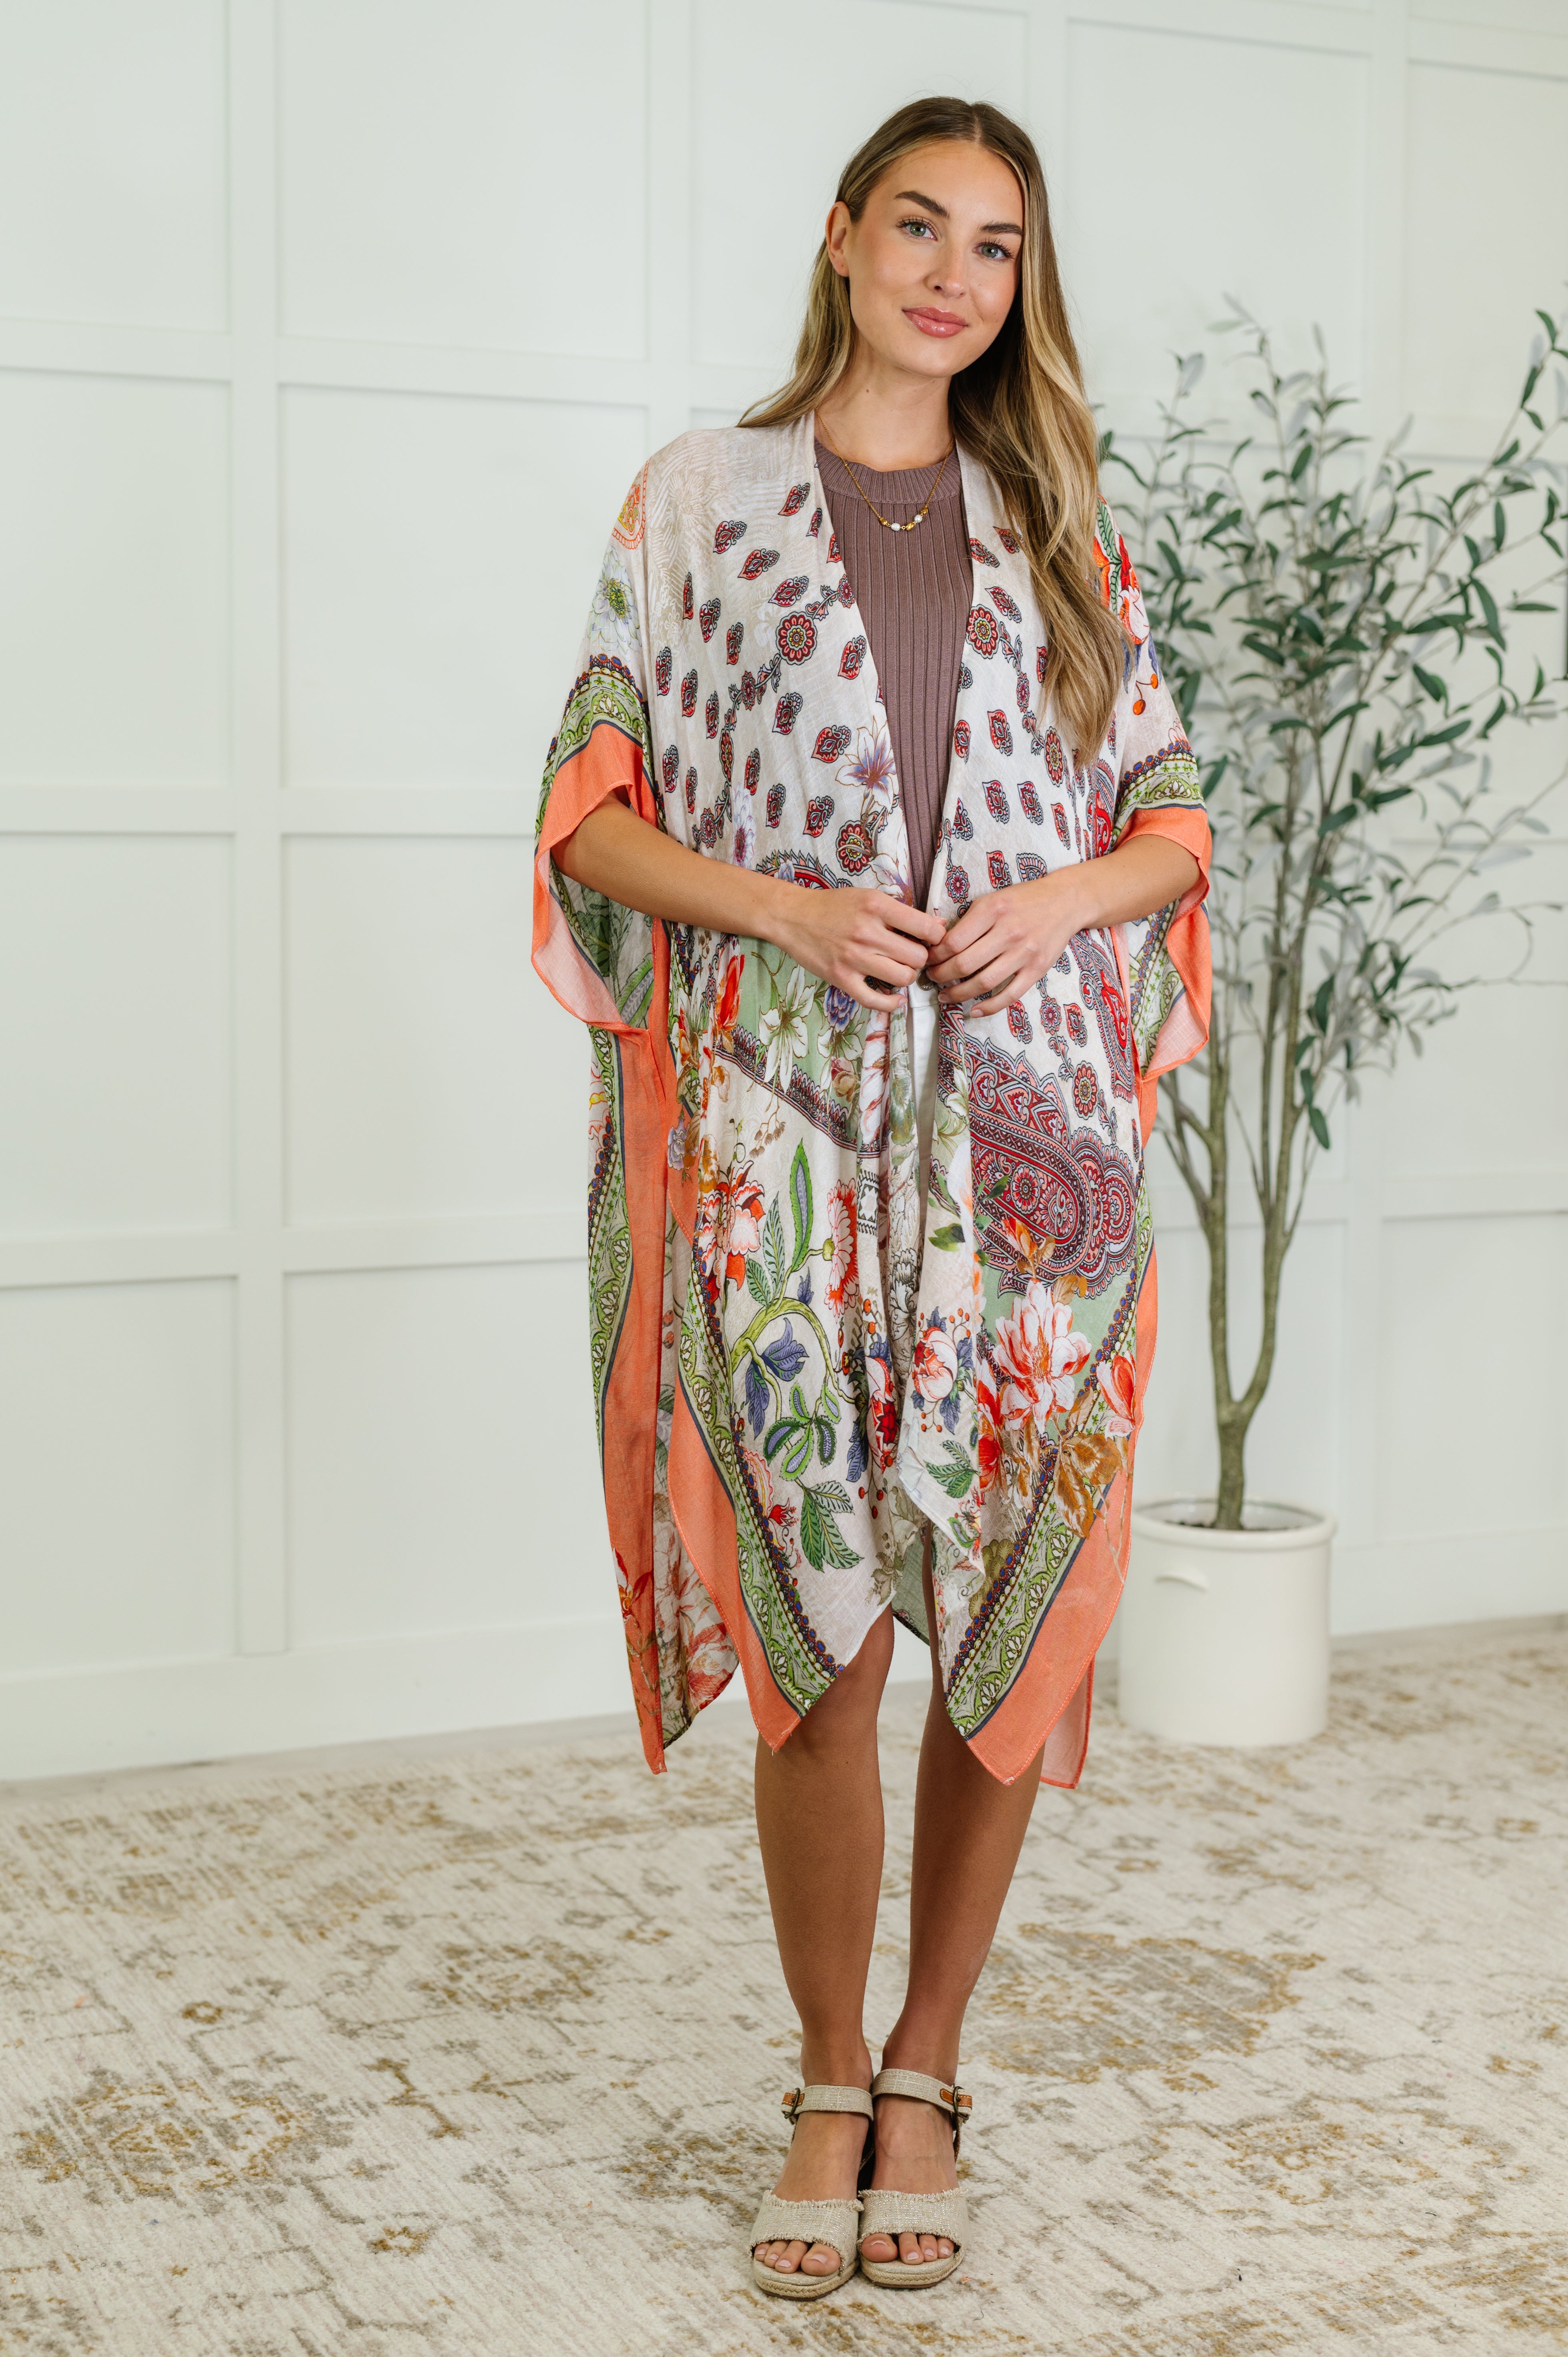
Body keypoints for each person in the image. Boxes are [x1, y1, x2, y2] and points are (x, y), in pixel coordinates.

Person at [532, 95, 1210, 2299]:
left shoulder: (1063, 519)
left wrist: (1063, 899)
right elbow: (589, 808)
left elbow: (1174, 818)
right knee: (817, 1616)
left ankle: (933, 2060)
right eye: (917, 224)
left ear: (1022, 285)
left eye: (998, 245)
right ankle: (828, 2072)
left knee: (1006, 1608)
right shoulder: (699, 504)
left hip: (1036, 1152)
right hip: (785, 1139)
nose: (953, 273)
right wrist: (791, 912)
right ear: (841, 241)